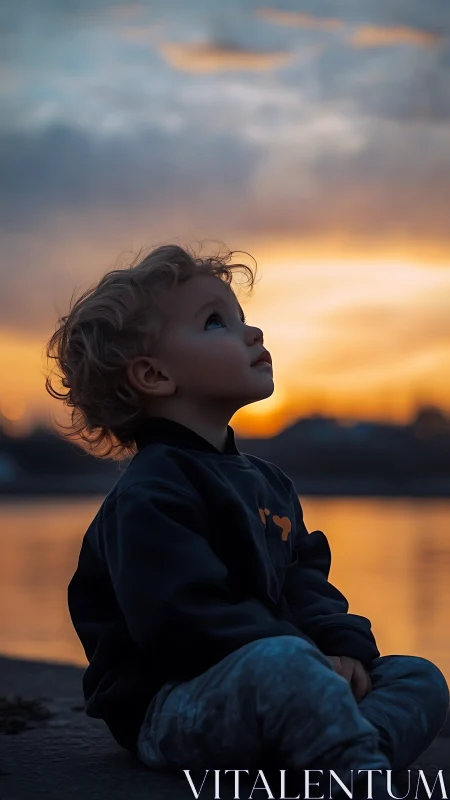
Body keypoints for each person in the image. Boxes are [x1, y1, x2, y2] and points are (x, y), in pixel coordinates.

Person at [46, 243, 449, 798]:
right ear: (155, 374)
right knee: (283, 663)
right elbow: (183, 619)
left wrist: (344, 649)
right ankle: (352, 770)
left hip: (279, 676)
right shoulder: (150, 493)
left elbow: (305, 584)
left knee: (418, 677)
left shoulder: (268, 481)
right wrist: (302, 658)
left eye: (241, 317)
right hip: (175, 705)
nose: (252, 332)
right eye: (216, 322)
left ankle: (343, 751)